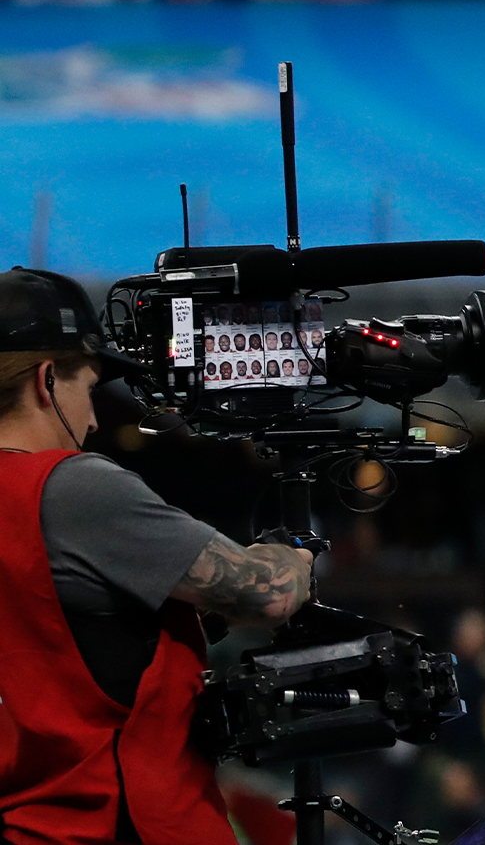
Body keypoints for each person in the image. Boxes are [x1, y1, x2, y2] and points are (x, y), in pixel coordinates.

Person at [0, 267, 314, 844]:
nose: (94, 418)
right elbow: (268, 595)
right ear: (47, 380)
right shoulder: (73, 489)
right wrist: (295, 555)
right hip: (113, 825)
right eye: (89, 389)